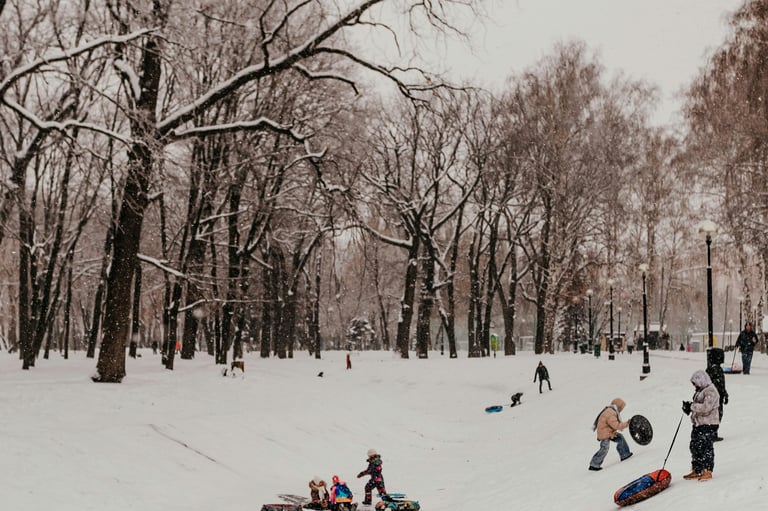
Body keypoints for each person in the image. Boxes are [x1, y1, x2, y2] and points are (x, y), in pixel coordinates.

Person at [682, 369, 720, 481]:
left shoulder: (711, 391)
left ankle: (708, 470)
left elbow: (705, 407)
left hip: (709, 423)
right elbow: (697, 406)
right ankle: (697, 469)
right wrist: (689, 407)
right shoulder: (700, 390)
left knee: (706, 446)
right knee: (695, 446)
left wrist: (692, 407)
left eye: (695, 383)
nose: (694, 386)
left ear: (701, 380)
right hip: (699, 424)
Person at [588, 398, 633, 471]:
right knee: (604, 448)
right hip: (605, 433)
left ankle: (625, 454)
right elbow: (616, 426)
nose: (621, 410)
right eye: (621, 408)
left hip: (609, 432)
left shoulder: (610, 411)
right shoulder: (611, 413)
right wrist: (627, 423)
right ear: (618, 406)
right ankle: (594, 464)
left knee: (620, 438)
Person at [705, 348, 728, 441]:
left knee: (713, 415)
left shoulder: (709, 369)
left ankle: (710, 433)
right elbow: (720, 384)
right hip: (717, 397)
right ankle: (713, 433)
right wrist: (724, 394)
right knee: (717, 415)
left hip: (712, 397)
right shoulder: (717, 370)